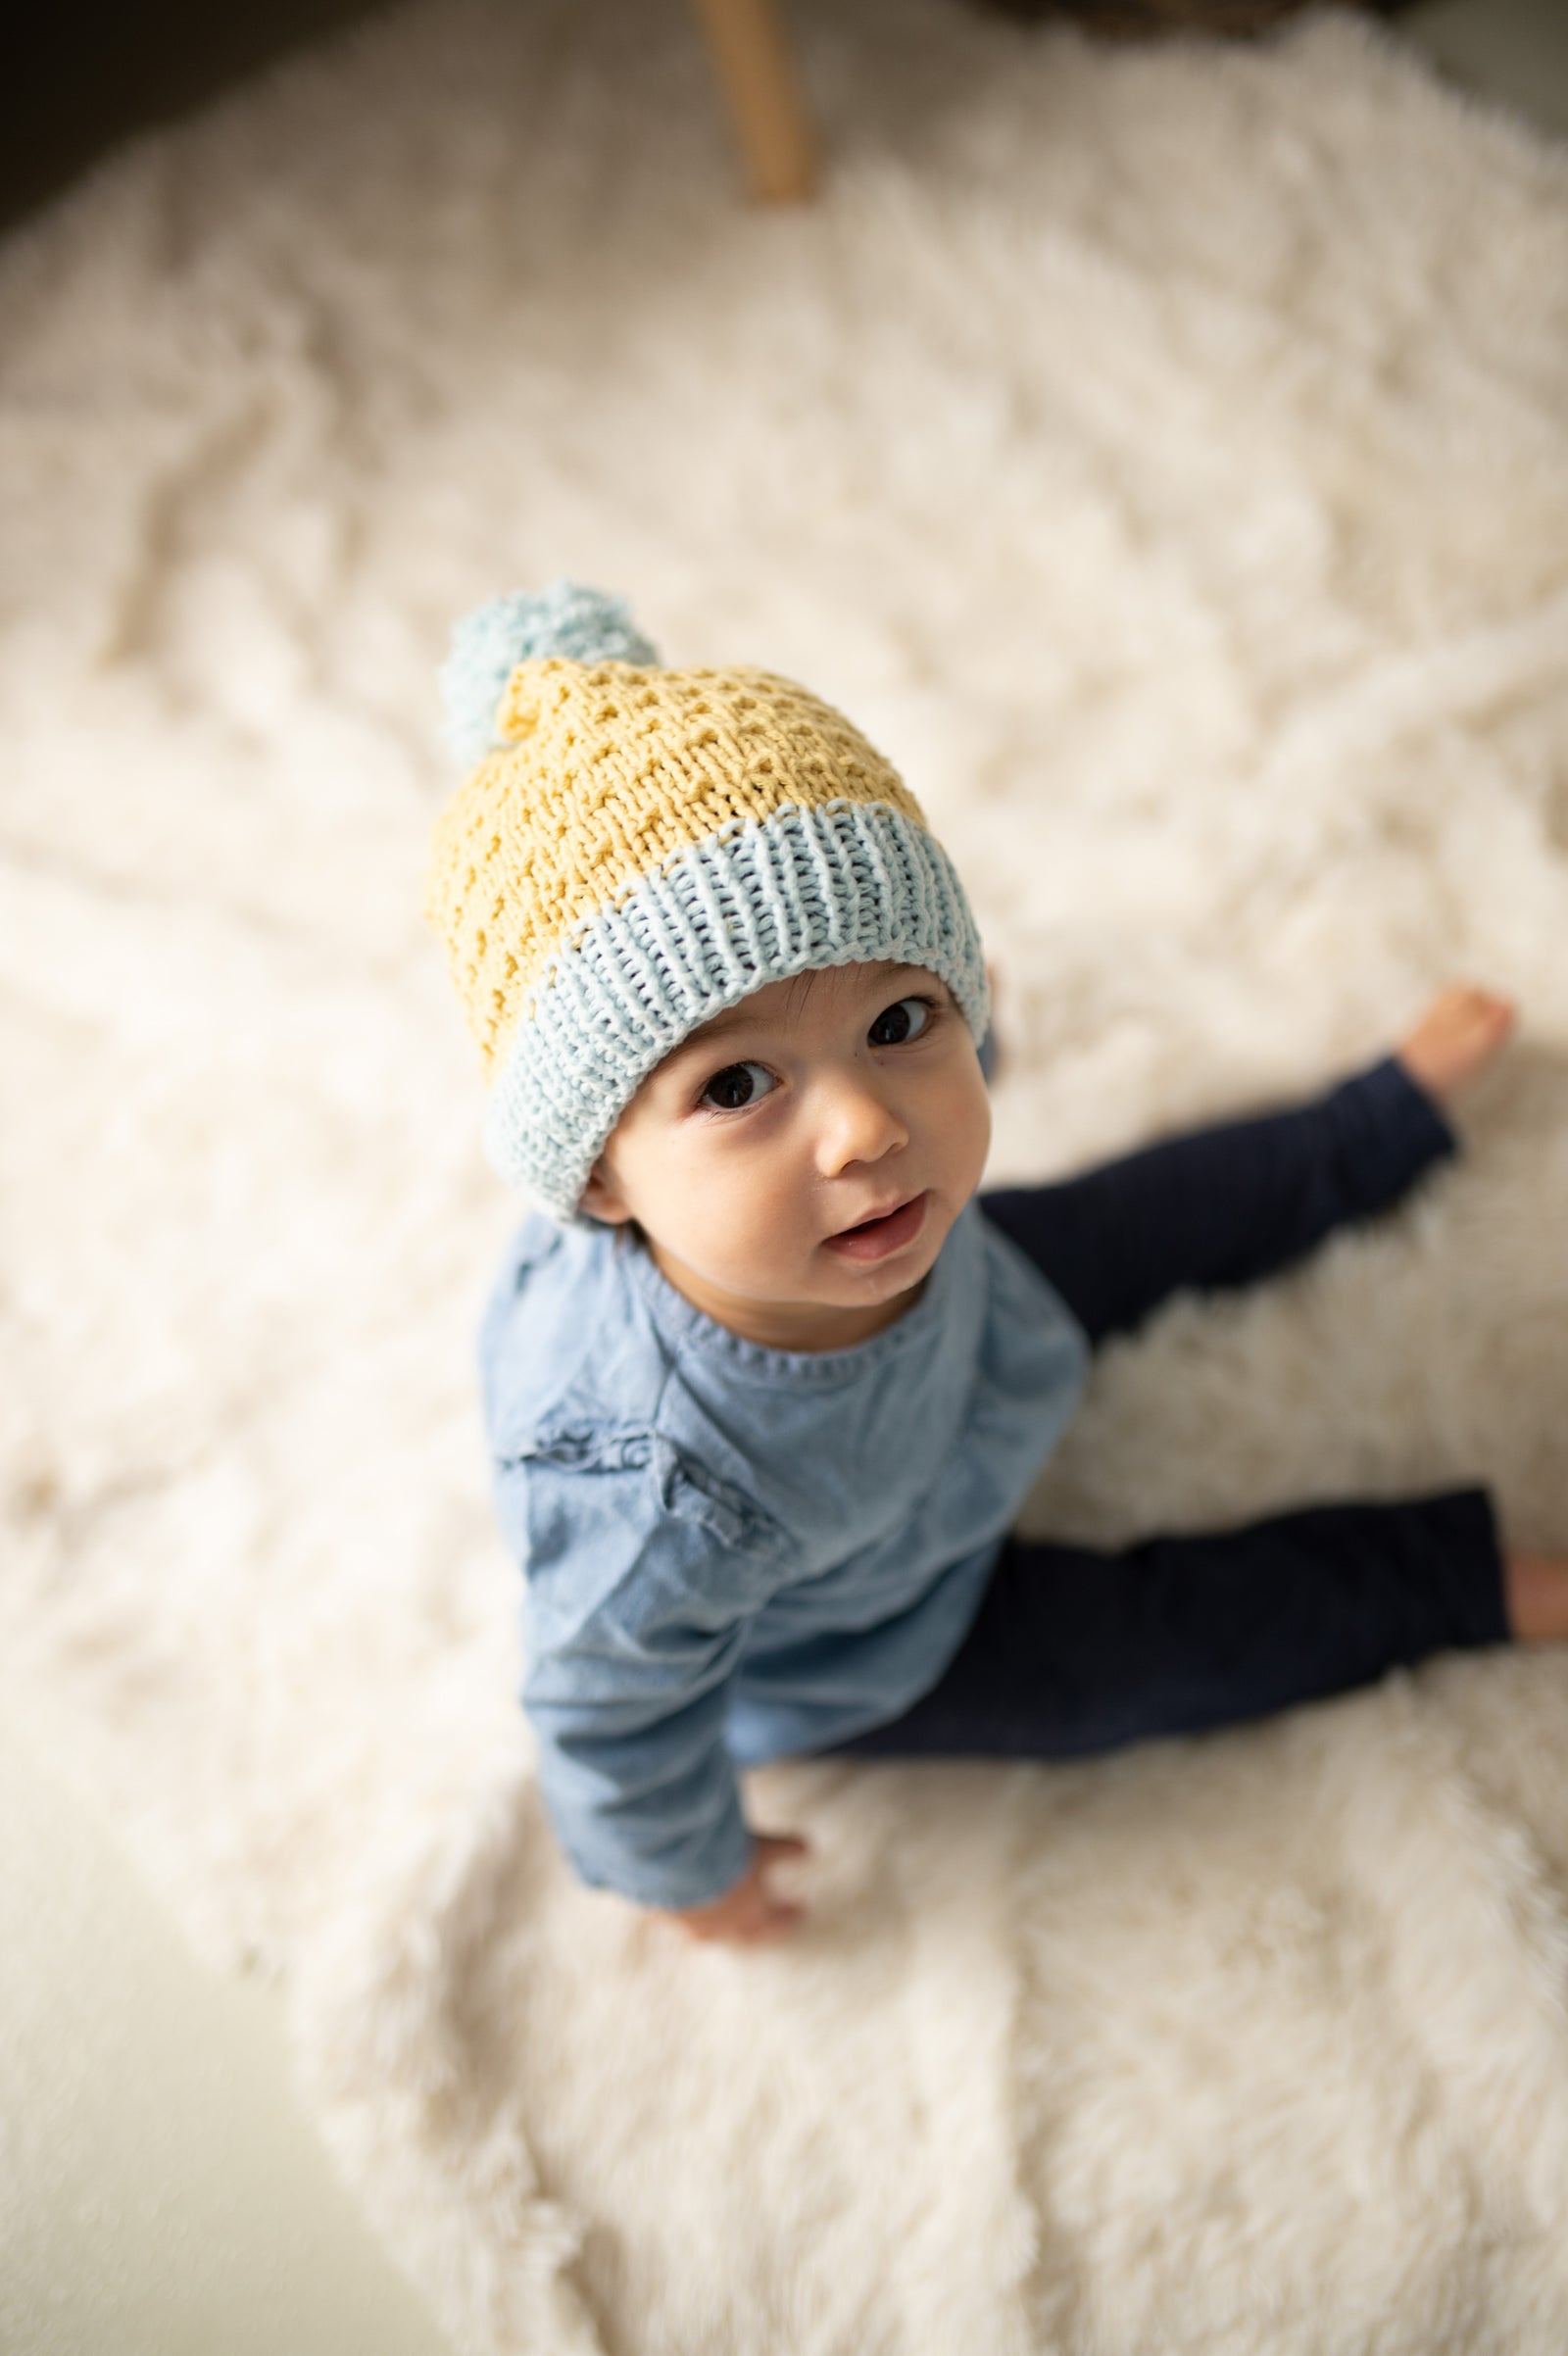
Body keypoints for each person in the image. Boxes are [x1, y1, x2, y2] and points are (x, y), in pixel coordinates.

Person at [423, 581, 1566, 1949]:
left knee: (1144, 1212)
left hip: (971, 1311)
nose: (866, 1127)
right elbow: (605, 1710)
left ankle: (1370, 1123)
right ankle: (1452, 1584)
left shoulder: (872, 1192)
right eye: (736, 1087)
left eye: (901, 1019)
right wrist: (685, 1866)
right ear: (600, 1180)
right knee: (1145, 1653)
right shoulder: (658, 1491)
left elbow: (924, 1056)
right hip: (879, 1634)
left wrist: (956, 1021)